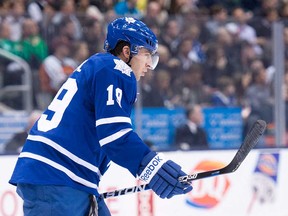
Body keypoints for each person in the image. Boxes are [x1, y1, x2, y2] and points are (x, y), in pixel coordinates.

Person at [9, 17, 192, 216]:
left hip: (63, 177)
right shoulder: (116, 69)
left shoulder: (99, 66)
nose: (149, 64)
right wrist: (151, 165)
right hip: (57, 177)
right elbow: (114, 136)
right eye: (147, 54)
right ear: (126, 52)